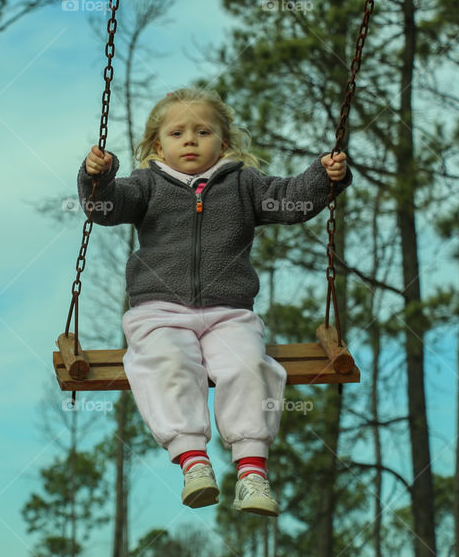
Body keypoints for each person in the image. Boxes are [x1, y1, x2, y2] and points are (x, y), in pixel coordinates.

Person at [77, 87, 351, 514]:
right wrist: (99, 175)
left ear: (223, 143)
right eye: (177, 133)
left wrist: (323, 175)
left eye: (203, 131)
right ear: (158, 146)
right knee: (167, 363)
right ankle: (193, 461)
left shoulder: (244, 184)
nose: (190, 140)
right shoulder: (146, 185)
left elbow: (292, 201)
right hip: (159, 312)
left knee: (250, 366)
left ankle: (252, 472)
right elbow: (105, 208)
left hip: (229, 312)